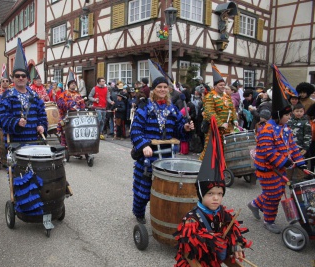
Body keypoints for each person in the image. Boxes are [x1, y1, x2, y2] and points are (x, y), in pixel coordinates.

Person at [174, 116, 252, 267]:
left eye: (220, 194)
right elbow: (188, 253)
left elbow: (233, 231)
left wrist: (236, 245)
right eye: (210, 194)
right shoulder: (192, 220)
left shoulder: (222, 213)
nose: (216, 198)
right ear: (202, 194)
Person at [248, 65, 306, 234]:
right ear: (279, 115)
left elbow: (292, 147)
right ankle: (269, 221)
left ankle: (254, 204)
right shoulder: (267, 129)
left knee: (277, 190)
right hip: (267, 168)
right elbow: (268, 152)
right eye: (287, 115)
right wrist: (285, 161)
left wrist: (300, 162)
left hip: (279, 167)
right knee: (273, 194)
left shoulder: (285, 128)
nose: (289, 117)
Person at [130, 75, 194, 224]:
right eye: (159, 87)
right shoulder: (145, 107)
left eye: (165, 87)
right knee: (143, 190)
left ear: (169, 89)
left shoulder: (172, 109)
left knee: (167, 190)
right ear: (154, 89)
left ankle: (162, 216)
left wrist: (185, 128)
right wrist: (144, 145)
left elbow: (178, 130)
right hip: (148, 155)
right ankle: (139, 213)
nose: (162, 89)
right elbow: (136, 130)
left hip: (167, 157)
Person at [0, 40, 48, 145]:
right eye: (17, 76)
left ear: (27, 78)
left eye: (23, 76)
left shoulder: (35, 96)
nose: (20, 78)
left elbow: (42, 115)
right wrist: (16, 122)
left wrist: (42, 125)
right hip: (15, 143)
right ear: (13, 78)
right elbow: (2, 119)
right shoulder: (7, 97)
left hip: (34, 142)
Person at [199, 61, 238, 161]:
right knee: (210, 150)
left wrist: (234, 119)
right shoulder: (210, 97)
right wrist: (220, 123)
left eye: (224, 85)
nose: (223, 87)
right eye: (220, 85)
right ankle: (200, 168)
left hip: (227, 129)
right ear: (215, 86)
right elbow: (209, 112)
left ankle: (220, 170)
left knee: (224, 150)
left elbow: (232, 108)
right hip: (214, 129)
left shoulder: (227, 97)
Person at [56, 77, 86, 147]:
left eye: (74, 84)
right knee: (65, 132)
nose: (73, 85)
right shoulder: (64, 94)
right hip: (66, 116)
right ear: (69, 85)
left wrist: (82, 110)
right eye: (72, 83)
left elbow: (82, 105)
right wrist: (70, 105)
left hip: (77, 117)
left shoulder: (78, 95)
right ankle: (65, 148)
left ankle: (77, 147)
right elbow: (60, 104)